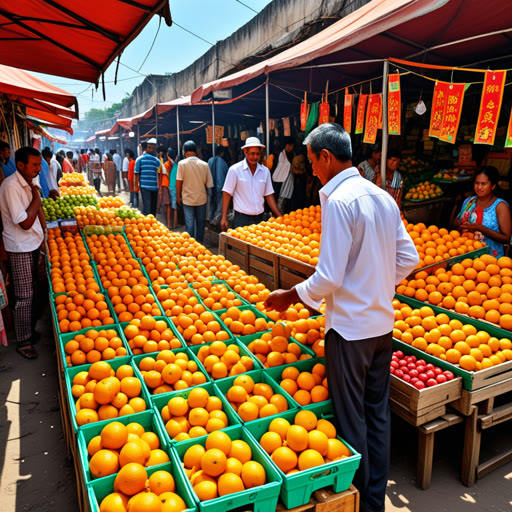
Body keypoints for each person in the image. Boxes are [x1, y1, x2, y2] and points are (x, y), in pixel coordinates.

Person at [264, 123, 419, 512]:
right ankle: (375, 500)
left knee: (352, 423)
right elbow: (409, 259)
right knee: (377, 416)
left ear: (326, 157)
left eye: (312, 160)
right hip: (383, 326)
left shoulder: (337, 199)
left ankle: (364, 505)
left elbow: (329, 276)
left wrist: (291, 295)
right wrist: (378, 283)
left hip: (350, 332)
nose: (311, 168)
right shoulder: (381, 196)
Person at [0, 147, 48, 359]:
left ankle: (28, 330)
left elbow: (39, 214)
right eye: (35, 165)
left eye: (39, 164)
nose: (39, 168)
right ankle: (23, 341)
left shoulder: (29, 183)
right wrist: (37, 197)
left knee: (37, 292)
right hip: (20, 247)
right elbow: (25, 222)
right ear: (20, 165)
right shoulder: (11, 186)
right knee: (24, 296)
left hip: (33, 245)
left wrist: (45, 236)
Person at [221, 137, 281, 230]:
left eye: (258, 154)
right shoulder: (235, 170)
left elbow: (269, 195)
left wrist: (279, 215)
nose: (255, 157)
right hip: (241, 219)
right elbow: (227, 193)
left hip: (260, 219)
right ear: (245, 152)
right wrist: (224, 217)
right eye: (252, 153)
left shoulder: (265, 172)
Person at [455, 166, 512, 258]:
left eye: (483, 184)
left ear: (493, 186)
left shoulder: (500, 206)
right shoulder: (469, 202)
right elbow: (456, 224)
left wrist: (481, 228)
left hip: (491, 261)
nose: (479, 187)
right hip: (466, 257)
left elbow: (506, 238)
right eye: (476, 183)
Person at [176, 140, 213, 243]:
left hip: (187, 200)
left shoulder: (182, 164)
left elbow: (179, 182)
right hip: (201, 199)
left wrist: (178, 196)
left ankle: (190, 246)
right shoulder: (204, 164)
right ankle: (200, 244)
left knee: (190, 223)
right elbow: (209, 184)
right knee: (201, 223)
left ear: (185, 152)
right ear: (196, 151)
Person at [134, 137, 161, 216]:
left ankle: (148, 224)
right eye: (150, 147)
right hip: (153, 187)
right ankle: (151, 224)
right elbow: (159, 174)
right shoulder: (157, 160)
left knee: (147, 208)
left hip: (145, 187)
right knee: (152, 208)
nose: (152, 149)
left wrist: (136, 187)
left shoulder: (139, 160)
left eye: (153, 147)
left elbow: (137, 174)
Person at [207, 145, 229, 223]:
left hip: (210, 186)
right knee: (219, 205)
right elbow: (227, 175)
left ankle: (209, 218)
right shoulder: (224, 163)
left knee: (211, 203)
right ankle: (215, 221)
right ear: (222, 153)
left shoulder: (210, 160)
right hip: (220, 186)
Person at [162, 148, 178, 229]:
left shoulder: (166, 164)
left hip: (166, 185)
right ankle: (173, 224)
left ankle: (168, 224)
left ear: (167, 155)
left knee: (167, 206)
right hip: (173, 186)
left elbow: (164, 174)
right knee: (173, 207)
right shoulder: (174, 164)